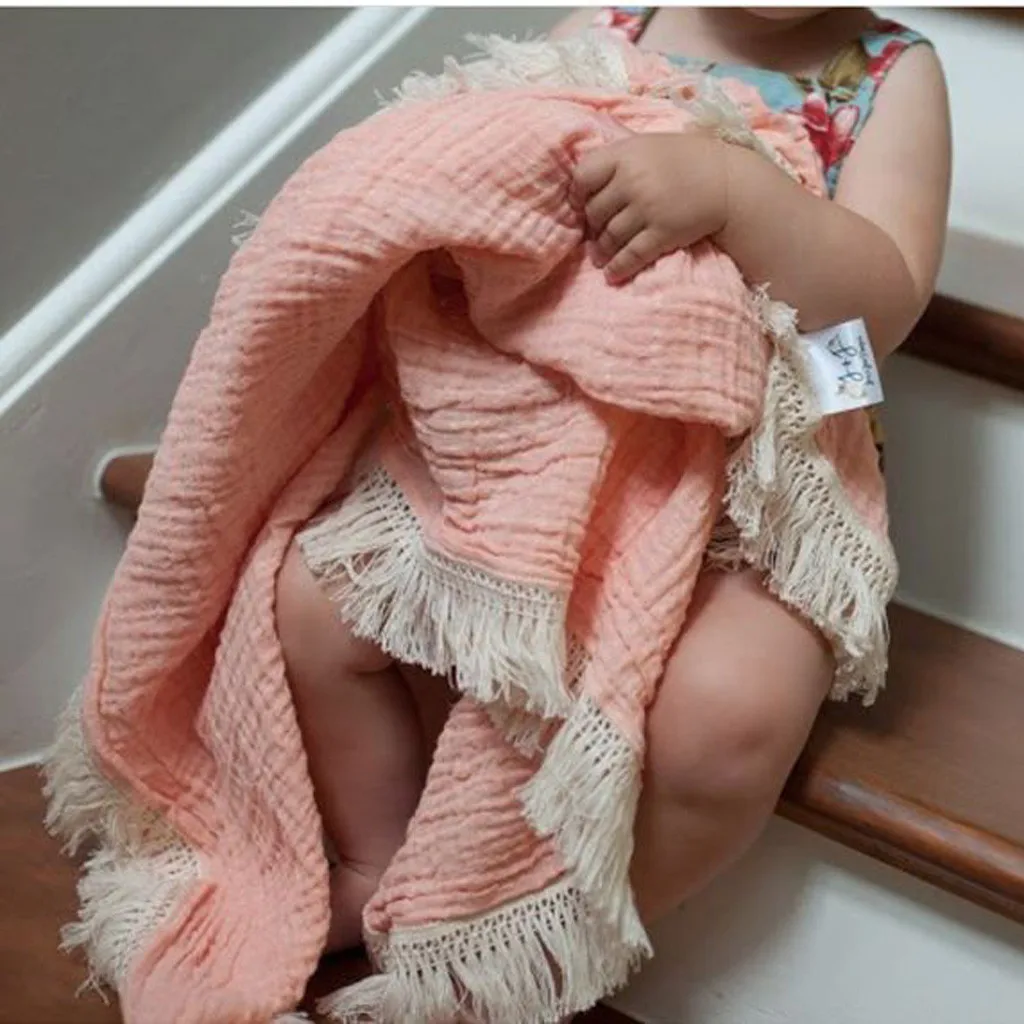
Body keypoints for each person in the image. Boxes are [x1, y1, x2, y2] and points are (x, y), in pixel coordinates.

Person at [276, 5, 951, 960]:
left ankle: (541, 953)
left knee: (729, 715)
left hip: (761, 486)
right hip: (559, 446)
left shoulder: (889, 76)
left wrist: (737, 192)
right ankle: (376, 859)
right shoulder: (611, 22)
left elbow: (877, 317)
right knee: (312, 607)